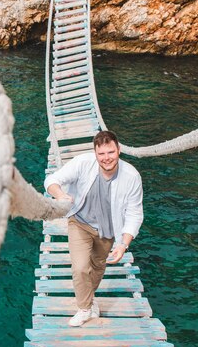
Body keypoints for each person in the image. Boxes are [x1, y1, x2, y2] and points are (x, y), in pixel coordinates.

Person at [44, 130, 143, 327]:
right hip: (80, 222)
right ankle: (84, 308)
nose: (106, 158)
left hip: (108, 231)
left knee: (97, 267)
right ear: (95, 153)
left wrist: (123, 244)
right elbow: (51, 180)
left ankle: (90, 299)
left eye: (111, 152)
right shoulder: (82, 163)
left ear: (119, 150)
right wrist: (60, 196)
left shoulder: (131, 176)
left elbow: (135, 213)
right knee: (80, 267)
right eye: (102, 154)